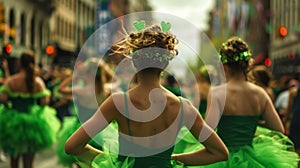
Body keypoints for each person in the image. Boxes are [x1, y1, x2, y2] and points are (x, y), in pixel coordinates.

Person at [65, 23, 228, 167]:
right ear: (165, 63)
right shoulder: (183, 107)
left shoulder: (119, 102)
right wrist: (172, 160)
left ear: (134, 61)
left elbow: (72, 146)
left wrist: (116, 162)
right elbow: (220, 153)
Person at [204, 37, 299, 167]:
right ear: (248, 64)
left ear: (224, 67)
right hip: (253, 160)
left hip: (221, 159)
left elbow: (208, 131)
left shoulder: (217, 93)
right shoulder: (260, 94)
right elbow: (279, 129)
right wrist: (253, 126)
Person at [0, 51, 60, 168]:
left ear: (19, 63)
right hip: (32, 123)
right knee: (29, 161)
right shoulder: (37, 82)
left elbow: (2, 98)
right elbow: (44, 102)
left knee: (14, 160)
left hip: (13, 122)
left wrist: (9, 107)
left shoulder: (12, 81)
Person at [56, 58, 113, 167]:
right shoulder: (106, 89)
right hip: (101, 131)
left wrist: (75, 75)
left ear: (88, 75)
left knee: (80, 162)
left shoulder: (83, 90)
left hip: (81, 129)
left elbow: (60, 89)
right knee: (97, 163)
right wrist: (103, 67)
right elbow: (115, 79)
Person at [285, 79, 300, 167]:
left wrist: (286, 121)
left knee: (296, 152)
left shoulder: (293, 92)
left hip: (296, 120)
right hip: (296, 122)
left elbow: (289, 109)